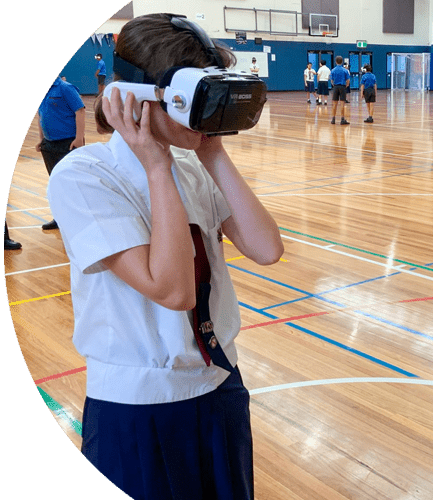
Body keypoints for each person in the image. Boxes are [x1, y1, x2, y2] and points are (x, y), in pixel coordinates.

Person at [47, 14, 284, 500]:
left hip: (219, 384)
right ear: (138, 99)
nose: (208, 114)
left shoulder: (194, 167)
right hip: (139, 403)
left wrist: (213, 152)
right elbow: (173, 289)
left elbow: (266, 248)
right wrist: (156, 165)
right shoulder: (84, 176)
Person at [37, 75, 86, 230]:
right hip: (49, 144)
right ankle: (59, 218)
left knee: (73, 183)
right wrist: (41, 139)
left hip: (68, 143)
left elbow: (80, 111)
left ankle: (80, 219)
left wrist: (79, 138)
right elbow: (41, 116)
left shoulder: (65, 88)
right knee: (55, 183)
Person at [330, 56, 350, 125]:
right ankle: (342, 119)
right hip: (342, 87)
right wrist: (346, 85)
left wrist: (334, 85)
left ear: (336, 62)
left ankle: (333, 119)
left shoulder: (333, 70)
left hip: (335, 87)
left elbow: (331, 80)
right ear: (341, 62)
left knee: (334, 104)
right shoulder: (345, 70)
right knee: (342, 104)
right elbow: (348, 80)